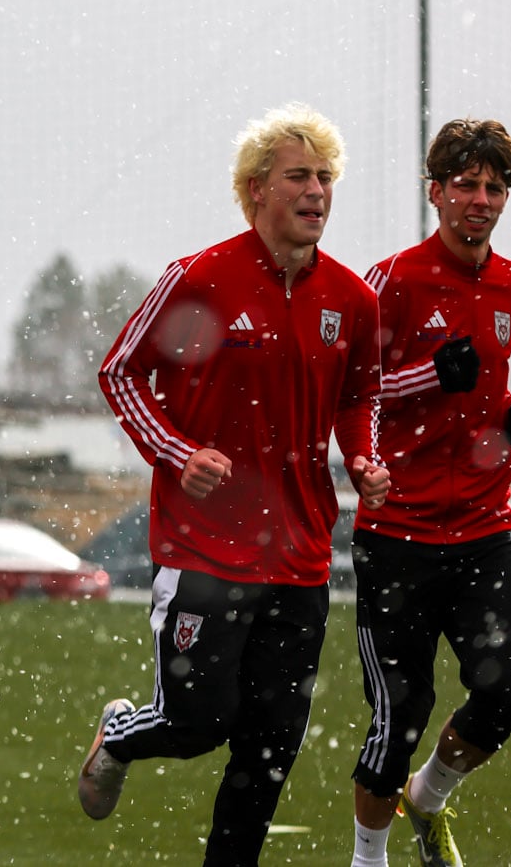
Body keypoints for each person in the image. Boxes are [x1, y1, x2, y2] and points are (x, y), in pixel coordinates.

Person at [79, 104, 390, 865]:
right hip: (203, 546)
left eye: (324, 177)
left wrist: (363, 458)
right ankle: (120, 733)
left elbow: (359, 396)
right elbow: (120, 372)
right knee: (198, 723)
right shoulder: (200, 279)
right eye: (298, 176)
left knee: (271, 745)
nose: (316, 190)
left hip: (301, 552)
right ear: (256, 190)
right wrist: (176, 451)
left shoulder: (352, 299)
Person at [348, 118, 511, 867]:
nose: (481, 199)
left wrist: (510, 420)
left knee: (506, 697)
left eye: (495, 187)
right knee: (401, 714)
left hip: (485, 527)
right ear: (435, 192)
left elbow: (479, 393)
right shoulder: (391, 279)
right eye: (466, 184)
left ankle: (427, 799)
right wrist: (429, 376)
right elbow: (349, 393)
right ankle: (368, 856)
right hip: (400, 532)